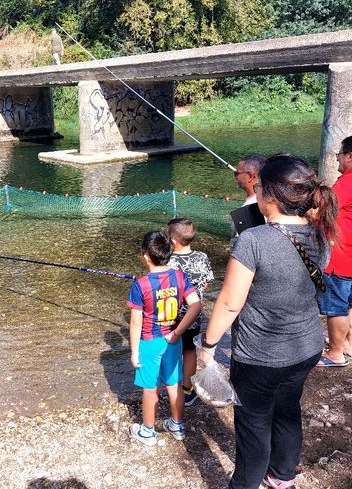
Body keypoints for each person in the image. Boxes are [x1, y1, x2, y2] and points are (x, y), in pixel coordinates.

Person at [199, 154, 337, 489]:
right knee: (288, 411)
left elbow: (230, 303)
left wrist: (207, 347)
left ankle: (245, 484)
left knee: (254, 425)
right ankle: (282, 477)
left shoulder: (253, 240)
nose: (255, 193)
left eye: (258, 187)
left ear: (271, 197)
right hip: (306, 347)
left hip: (261, 356)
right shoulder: (322, 235)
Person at [127, 230, 201, 446]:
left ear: (146, 256)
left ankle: (147, 432)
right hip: (173, 340)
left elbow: (135, 323)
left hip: (149, 342)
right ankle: (177, 426)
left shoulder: (140, 284)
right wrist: (178, 332)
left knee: (150, 388)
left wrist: (134, 351)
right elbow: (196, 305)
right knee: (174, 383)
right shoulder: (179, 276)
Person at [167, 218, 214, 406]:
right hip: (193, 316)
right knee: (189, 351)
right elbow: (207, 282)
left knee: (171, 350)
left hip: (171, 316)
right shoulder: (202, 257)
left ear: (172, 241)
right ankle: (187, 389)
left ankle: (172, 387)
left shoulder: (168, 260)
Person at [317, 136, 352, 367]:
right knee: (349, 304)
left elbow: (322, 209)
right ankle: (348, 344)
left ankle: (335, 353)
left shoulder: (346, 183)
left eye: (340, 153)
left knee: (336, 307)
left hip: (340, 256)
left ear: (350, 156)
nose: (337, 157)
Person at [230, 154, 266, 249]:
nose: (236, 177)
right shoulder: (271, 201)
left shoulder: (249, 208)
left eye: (237, 173)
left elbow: (243, 247)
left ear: (250, 176)